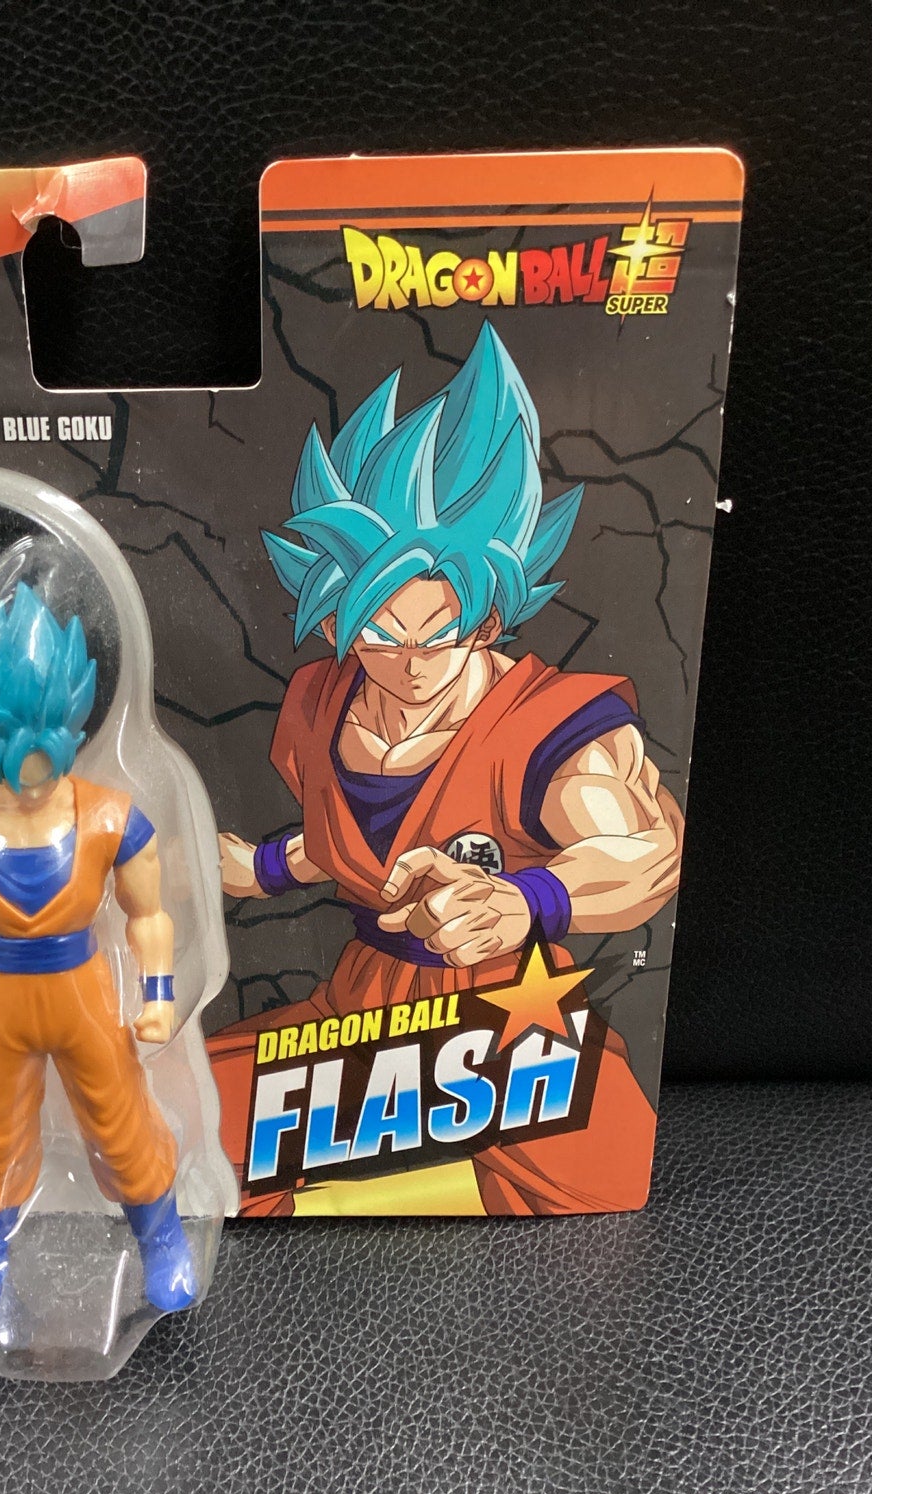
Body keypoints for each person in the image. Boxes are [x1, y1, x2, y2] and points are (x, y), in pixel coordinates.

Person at [212, 322, 684, 1216]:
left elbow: (643, 851)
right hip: (361, 1007)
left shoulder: (549, 728)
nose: (413, 661)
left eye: (444, 632)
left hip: (513, 1031)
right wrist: (261, 868)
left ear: (489, 618)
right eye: (381, 632)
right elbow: (355, 843)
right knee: (181, 1140)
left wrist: (527, 901)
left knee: (603, 1182)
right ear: (334, 619)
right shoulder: (318, 706)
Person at [0, 585, 195, 1320]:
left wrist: (159, 996)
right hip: (3, 1000)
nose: (28, 773)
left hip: (84, 996)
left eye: (41, 745)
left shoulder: (111, 819)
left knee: (122, 1124)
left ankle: (162, 1238)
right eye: (8, 752)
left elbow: (150, 916)